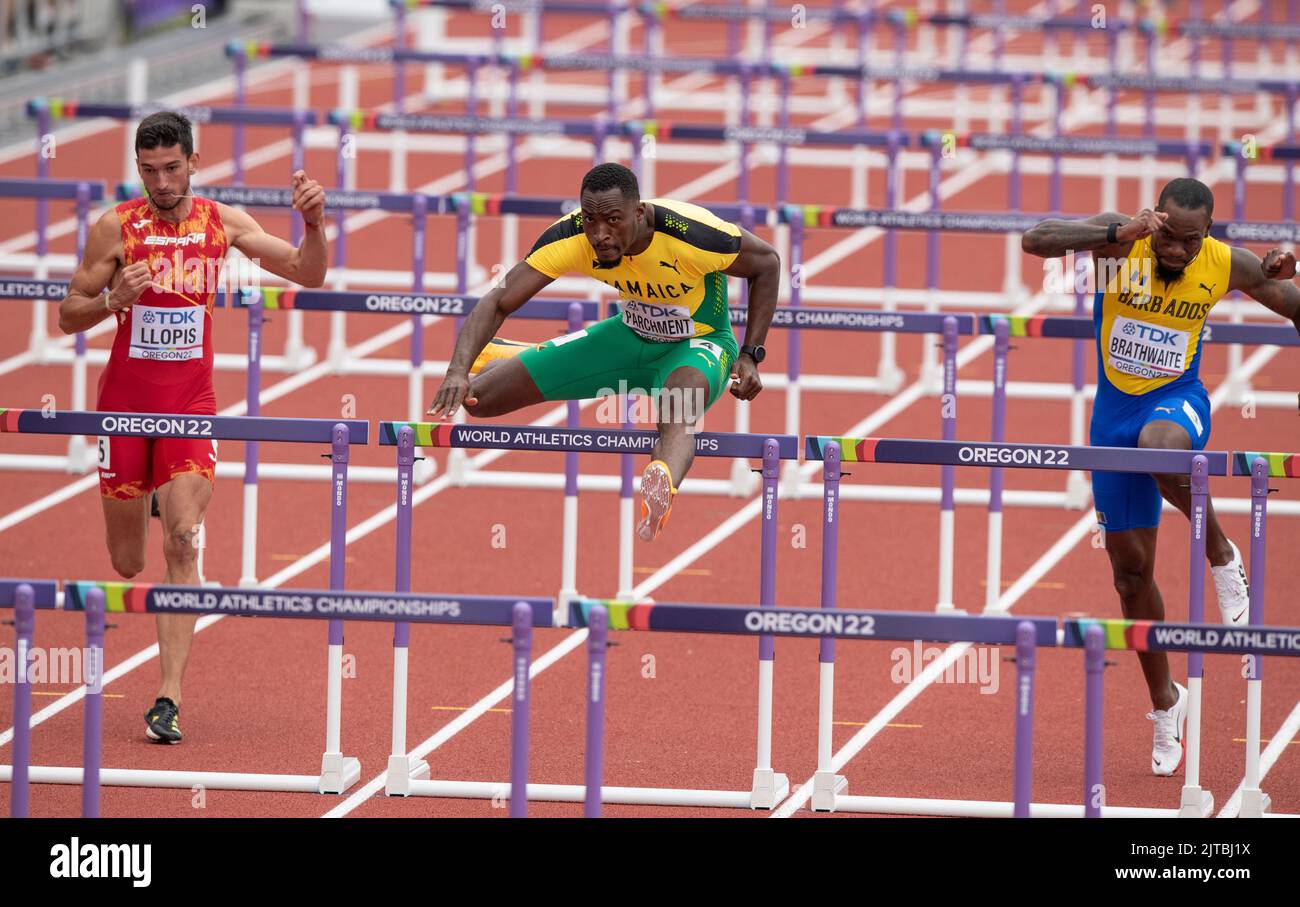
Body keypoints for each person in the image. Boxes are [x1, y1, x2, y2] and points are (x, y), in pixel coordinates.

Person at [57, 111, 328, 743]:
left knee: (182, 540)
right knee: (126, 565)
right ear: (138, 169)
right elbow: (68, 315)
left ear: (194, 162)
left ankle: (167, 697)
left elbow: (307, 272)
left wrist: (314, 224)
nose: (162, 181)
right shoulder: (114, 227)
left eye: (172, 168)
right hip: (122, 409)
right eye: (149, 171)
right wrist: (109, 303)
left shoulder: (221, 222)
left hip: (189, 406)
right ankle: (150, 491)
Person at [1022, 177, 1300, 777]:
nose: (1176, 251)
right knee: (1129, 576)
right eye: (1169, 237)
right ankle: (1166, 703)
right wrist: (1120, 232)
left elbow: (1297, 304)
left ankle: (1221, 551)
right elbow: (1036, 240)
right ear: (1156, 221)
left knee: (1160, 444)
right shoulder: (1124, 244)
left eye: (1190, 242)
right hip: (1112, 415)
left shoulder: (1225, 263)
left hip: (1179, 402)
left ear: (1209, 235)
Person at [428, 163, 781, 541]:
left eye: (613, 220)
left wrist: (750, 354)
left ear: (639, 213)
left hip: (697, 344)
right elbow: (500, 300)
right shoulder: (572, 237)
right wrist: (457, 369)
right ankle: (520, 354)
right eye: (590, 221)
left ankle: (661, 484)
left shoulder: (693, 233)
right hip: (627, 339)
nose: (600, 235)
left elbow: (768, 264)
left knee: (679, 403)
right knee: (480, 399)